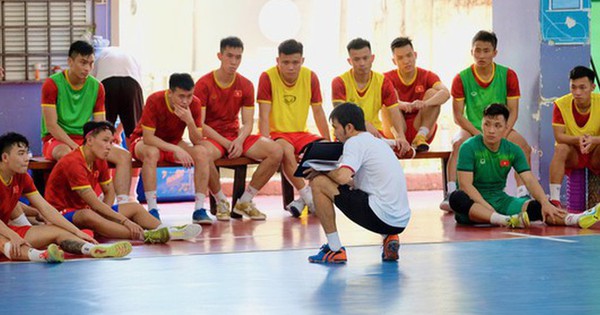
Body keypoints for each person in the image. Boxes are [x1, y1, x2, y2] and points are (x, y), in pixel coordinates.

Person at [44, 121, 202, 243]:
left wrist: (105, 217)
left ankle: (167, 230)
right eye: (105, 141)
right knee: (88, 215)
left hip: (86, 210)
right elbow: (93, 202)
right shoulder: (73, 162)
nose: (109, 146)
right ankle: (146, 235)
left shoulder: (99, 159)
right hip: (61, 214)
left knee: (133, 206)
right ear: (89, 140)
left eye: (111, 142)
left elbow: (109, 191)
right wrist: (124, 221)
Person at [448, 104, 599, 229]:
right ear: (482, 124)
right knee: (456, 198)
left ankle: (576, 219)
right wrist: (489, 209)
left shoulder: (513, 150)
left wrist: (545, 203)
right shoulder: (469, 147)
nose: (491, 130)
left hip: (502, 201)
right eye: (486, 124)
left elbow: (529, 179)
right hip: (474, 206)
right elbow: (466, 186)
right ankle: (504, 220)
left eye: (497, 125)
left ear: (506, 127)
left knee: (539, 207)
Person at [0, 132, 133, 263]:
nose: (26, 158)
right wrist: (12, 235)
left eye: (26, 153)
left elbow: (46, 208)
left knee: (59, 231)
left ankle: (93, 249)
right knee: (6, 241)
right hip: (4, 233)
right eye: (21, 154)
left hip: (5, 228)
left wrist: (76, 232)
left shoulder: (22, 177)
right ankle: (42, 255)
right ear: (5, 157)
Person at [305, 103, 411, 263]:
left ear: (348, 128)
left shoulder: (353, 142)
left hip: (382, 217)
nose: (334, 133)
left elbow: (341, 177)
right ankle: (389, 237)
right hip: (400, 220)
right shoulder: (377, 142)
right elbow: (355, 182)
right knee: (350, 186)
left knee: (318, 182)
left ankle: (335, 250)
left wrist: (320, 169)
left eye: (335, 127)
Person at [442, 30, 532, 210]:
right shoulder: (461, 78)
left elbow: (513, 111)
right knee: (458, 143)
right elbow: (458, 116)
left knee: (524, 147)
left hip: (500, 128)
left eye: (486, 51)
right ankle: (451, 194)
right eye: (477, 50)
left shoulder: (508, 75)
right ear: (471, 52)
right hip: (472, 127)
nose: (481, 55)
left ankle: (523, 193)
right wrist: (478, 135)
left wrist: (503, 132)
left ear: (494, 53)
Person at [195, 37, 283, 221]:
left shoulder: (246, 85)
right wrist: (226, 143)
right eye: (229, 56)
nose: (234, 62)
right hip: (214, 138)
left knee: (276, 150)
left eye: (238, 57)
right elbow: (201, 124)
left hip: (236, 137)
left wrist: (239, 140)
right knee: (202, 154)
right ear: (220, 56)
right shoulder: (203, 84)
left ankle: (246, 200)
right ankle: (221, 201)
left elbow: (248, 123)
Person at [40, 40, 133, 207]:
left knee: (124, 155)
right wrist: (77, 147)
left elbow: (100, 126)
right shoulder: (52, 84)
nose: (87, 68)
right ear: (70, 62)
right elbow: (52, 125)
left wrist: (104, 142)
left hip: (85, 139)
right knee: (67, 154)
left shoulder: (97, 87)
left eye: (91, 64)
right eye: (83, 63)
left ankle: (122, 205)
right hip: (56, 139)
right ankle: (69, 205)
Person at [257, 39, 331, 217]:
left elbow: (319, 112)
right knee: (286, 152)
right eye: (286, 62)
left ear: (302, 61)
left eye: (295, 62)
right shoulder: (267, 77)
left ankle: (302, 200)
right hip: (278, 135)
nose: (291, 67)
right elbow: (263, 115)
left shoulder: (310, 76)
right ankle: (309, 198)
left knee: (324, 152)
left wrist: (328, 141)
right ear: (278, 61)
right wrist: (266, 144)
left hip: (302, 133)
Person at [130, 73, 212, 224]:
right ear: (170, 92)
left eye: (189, 96)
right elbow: (148, 138)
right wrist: (175, 149)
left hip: (173, 142)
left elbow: (197, 140)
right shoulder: (155, 100)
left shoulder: (194, 104)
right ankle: (153, 210)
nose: (186, 101)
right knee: (152, 152)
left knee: (202, 152)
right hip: (145, 142)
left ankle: (199, 209)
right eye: (181, 96)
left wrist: (189, 121)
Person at [332, 37, 411, 157]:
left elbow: (393, 111)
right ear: (349, 61)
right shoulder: (339, 82)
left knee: (401, 152)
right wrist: (363, 124)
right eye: (357, 59)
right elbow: (341, 115)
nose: (362, 63)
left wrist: (401, 136)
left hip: (375, 134)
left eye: (365, 58)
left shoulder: (383, 82)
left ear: (372, 58)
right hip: (347, 134)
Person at [91, 46, 144, 199]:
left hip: (107, 84)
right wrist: (120, 131)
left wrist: (113, 132)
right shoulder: (132, 56)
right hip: (132, 84)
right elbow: (133, 116)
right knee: (134, 139)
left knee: (102, 139)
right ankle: (132, 192)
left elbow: (94, 85)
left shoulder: (100, 56)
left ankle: (104, 191)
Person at [384, 37, 450, 152]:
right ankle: (400, 139)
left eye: (409, 55)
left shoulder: (427, 75)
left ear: (415, 55)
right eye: (400, 58)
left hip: (421, 128)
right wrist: (401, 104)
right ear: (394, 61)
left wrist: (424, 103)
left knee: (433, 93)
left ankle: (420, 136)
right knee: (386, 98)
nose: (406, 61)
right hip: (396, 129)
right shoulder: (387, 77)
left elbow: (446, 93)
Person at [549, 66, 600, 207]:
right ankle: (554, 201)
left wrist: (593, 140)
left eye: (583, 87)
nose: (577, 92)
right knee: (560, 148)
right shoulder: (560, 104)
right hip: (574, 155)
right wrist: (580, 140)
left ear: (593, 87)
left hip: (595, 153)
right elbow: (559, 136)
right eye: (573, 87)